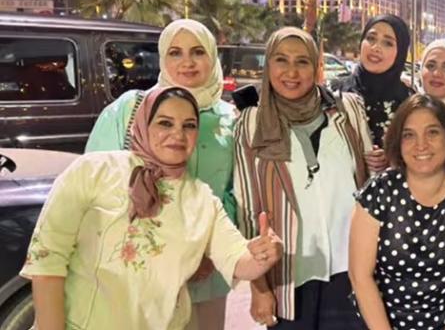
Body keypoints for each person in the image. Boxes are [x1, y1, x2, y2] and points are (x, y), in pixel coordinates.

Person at [21, 87, 283, 330]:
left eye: (189, 126)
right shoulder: (94, 171)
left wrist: (262, 255)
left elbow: (237, 259)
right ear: (144, 125)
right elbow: (47, 259)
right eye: (165, 123)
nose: (178, 134)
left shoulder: (201, 199)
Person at [85, 18, 236, 329]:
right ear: (163, 58)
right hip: (137, 267)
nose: (187, 63)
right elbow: (96, 188)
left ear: (212, 56)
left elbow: (235, 192)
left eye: (197, 52)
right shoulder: (129, 110)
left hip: (205, 272)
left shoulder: (231, 120)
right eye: (175, 53)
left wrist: (208, 254)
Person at [233, 27, 372, 328]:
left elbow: (371, 185)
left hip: (351, 268)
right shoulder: (251, 122)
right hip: (288, 275)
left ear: (317, 66)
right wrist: (259, 287)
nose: (291, 72)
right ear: (267, 66)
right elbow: (247, 208)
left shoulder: (348, 110)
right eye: (281, 60)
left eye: (303, 61)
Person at [348, 94, 445, 329]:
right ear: (398, 143)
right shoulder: (379, 192)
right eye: (409, 135)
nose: (421, 144)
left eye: (432, 132)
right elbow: (360, 277)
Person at [329, 14, 413, 173]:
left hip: (390, 194)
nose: (376, 47)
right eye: (371, 38)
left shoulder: (409, 101)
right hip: (340, 190)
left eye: (388, 43)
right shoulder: (335, 91)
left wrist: (390, 159)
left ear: (400, 53)